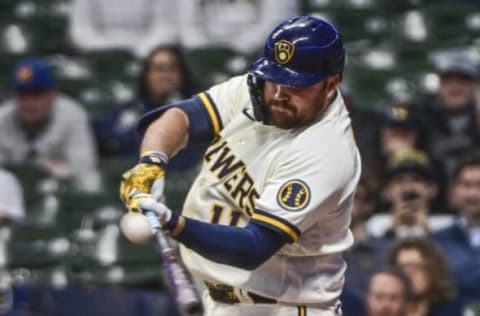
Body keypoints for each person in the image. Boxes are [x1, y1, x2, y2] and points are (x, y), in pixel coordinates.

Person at [120, 15, 361, 315]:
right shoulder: (256, 91)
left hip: (285, 307)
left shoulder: (326, 151)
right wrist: (152, 162)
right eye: (275, 77)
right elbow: (181, 117)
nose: (279, 94)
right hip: (220, 297)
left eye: (296, 85)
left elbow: (254, 247)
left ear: (331, 84)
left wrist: (173, 224)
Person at [0, 58, 101, 192]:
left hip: (62, 192)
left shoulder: (72, 115)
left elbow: (84, 170)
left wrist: (47, 169)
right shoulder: (3, 118)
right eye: (23, 94)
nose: (30, 103)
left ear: (52, 94)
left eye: (37, 94)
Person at [93, 45, 199, 158]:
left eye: (172, 69)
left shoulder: (196, 111)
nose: (165, 75)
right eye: (158, 69)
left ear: (182, 75)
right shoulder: (128, 110)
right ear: (146, 74)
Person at [419, 52, 480, 181]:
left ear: (475, 86)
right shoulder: (420, 122)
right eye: (448, 80)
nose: (455, 87)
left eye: (463, 80)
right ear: (439, 85)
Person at [433, 153, 480, 304]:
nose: (473, 194)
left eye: (479, 185)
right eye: (466, 185)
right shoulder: (436, 242)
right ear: (453, 192)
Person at [178, 0, 300, 55]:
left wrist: (237, 49)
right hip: (206, 55)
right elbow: (186, 24)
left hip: (258, 54)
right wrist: (206, 49)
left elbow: (277, 21)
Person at [69, 0, 178, 57]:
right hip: (98, 53)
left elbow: (164, 26)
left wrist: (144, 49)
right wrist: (108, 48)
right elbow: (80, 29)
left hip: (144, 52)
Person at [387, 237, 462, 316]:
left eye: (416, 267)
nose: (408, 274)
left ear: (433, 271)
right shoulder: (383, 310)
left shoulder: (452, 309)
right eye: (402, 268)